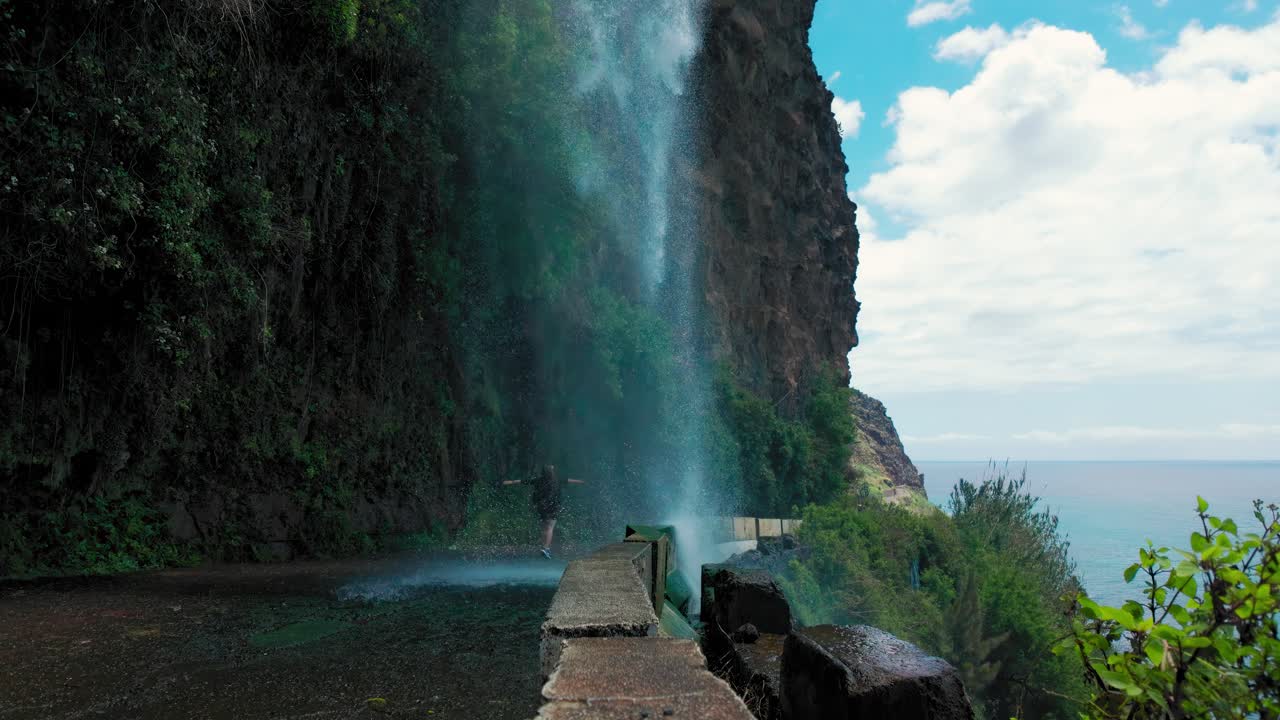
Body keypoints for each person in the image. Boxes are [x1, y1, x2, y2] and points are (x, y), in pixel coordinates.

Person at [502, 464, 585, 559]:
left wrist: (508, 482)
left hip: (541, 507)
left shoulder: (538, 480)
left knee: (544, 528)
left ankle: (543, 547)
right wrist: (582, 481)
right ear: (552, 472)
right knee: (550, 528)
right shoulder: (557, 480)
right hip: (553, 507)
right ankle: (546, 548)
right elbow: (570, 480)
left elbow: (520, 481)